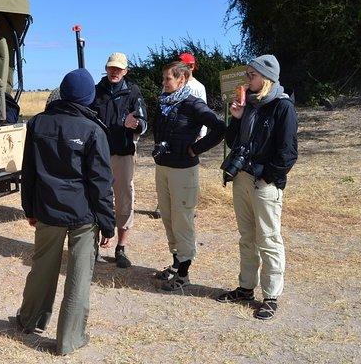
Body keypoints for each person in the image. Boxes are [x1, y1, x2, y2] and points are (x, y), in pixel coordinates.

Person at [17, 68, 116, 355]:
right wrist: (108, 225)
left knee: (42, 269)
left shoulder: (38, 123)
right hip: (84, 216)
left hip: (47, 210)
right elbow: (101, 184)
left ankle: (29, 320)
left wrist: (29, 209)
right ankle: (69, 340)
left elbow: (29, 171)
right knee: (79, 277)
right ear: (88, 97)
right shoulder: (93, 130)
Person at [216, 55, 298, 320]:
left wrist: (267, 178)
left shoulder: (282, 107)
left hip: (265, 182)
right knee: (246, 237)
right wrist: (237, 118)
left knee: (269, 239)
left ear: (266, 77)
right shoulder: (249, 104)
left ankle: (271, 296)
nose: (247, 79)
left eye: (251, 74)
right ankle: (245, 288)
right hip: (242, 178)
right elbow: (232, 141)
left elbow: (288, 153)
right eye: (247, 74)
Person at [152, 61, 226, 291]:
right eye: (163, 79)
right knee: (168, 217)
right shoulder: (164, 103)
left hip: (184, 171)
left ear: (182, 79)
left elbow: (220, 128)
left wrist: (195, 148)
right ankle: (176, 264)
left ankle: (184, 275)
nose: (164, 83)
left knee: (182, 221)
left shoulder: (193, 104)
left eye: (168, 79)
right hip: (163, 167)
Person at [91, 52, 148, 268]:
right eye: (111, 68)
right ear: (106, 69)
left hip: (123, 154)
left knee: (124, 198)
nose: (114, 72)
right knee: (96, 196)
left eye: (119, 69)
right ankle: (94, 245)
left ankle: (121, 249)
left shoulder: (133, 92)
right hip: (98, 154)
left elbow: (143, 121)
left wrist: (135, 125)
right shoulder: (96, 91)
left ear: (126, 71)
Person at [179, 52, 208, 138]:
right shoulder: (173, 83)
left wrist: (202, 134)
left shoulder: (199, 87)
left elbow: (203, 111)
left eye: (182, 66)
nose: (179, 69)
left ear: (191, 67)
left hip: (192, 132)